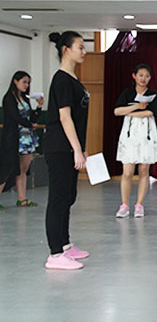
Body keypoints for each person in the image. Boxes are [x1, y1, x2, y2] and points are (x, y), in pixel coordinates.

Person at [44, 31, 90, 270]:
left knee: (69, 196)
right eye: (80, 47)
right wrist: (76, 149)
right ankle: (54, 254)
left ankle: (64, 245)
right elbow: (65, 117)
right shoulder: (61, 79)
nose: (84, 51)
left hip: (70, 147)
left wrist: (82, 149)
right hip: (59, 147)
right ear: (66, 50)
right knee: (59, 199)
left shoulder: (72, 79)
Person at [114, 64, 157, 218]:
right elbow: (117, 111)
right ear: (134, 76)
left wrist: (131, 112)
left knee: (143, 171)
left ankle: (139, 205)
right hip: (129, 135)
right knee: (127, 172)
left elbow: (150, 113)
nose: (143, 79)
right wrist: (137, 107)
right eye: (141, 75)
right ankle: (124, 205)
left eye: (147, 76)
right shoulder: (127, 94)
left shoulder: (153, 95)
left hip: (146, 135)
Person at [0, 71, 43, 209]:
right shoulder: (9, 98)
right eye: (24, 82)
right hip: (13, 137)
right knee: (7, 168)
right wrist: (30, 124)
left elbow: (32, 117)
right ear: (15, 81)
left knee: (23, 169)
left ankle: (22, 199)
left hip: (26, 138)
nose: (26, 85)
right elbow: (15, 117)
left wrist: (39, 107)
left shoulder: (24, 98)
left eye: (28, 83)